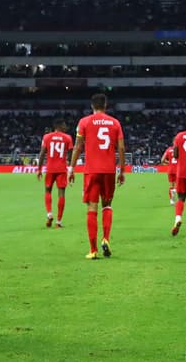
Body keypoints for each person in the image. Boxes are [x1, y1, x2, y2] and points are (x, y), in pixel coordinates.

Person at [68, 93, 125, 259]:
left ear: (92, 106)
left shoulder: (84, 122)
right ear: (105, 106)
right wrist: (121, 170)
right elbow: (121, 148)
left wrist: (71, 167)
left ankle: (93, 250)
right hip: (109, 170)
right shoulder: (115, 123)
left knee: (92, 208)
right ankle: (106, 239)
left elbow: (78, 147)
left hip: (91, 170)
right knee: (107, 205)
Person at [36, 119, 74, 228]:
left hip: (50, 168)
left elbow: (42, 153)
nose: (66, 127)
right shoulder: (68, 138)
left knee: (48, 190)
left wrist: (39, 169)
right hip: (62, 169)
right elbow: (70, 154)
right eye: (65, 125)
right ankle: (58, 222)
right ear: (60, 126)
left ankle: (49, 214)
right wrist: (70, 166)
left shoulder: (47, 137)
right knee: (61, 194)